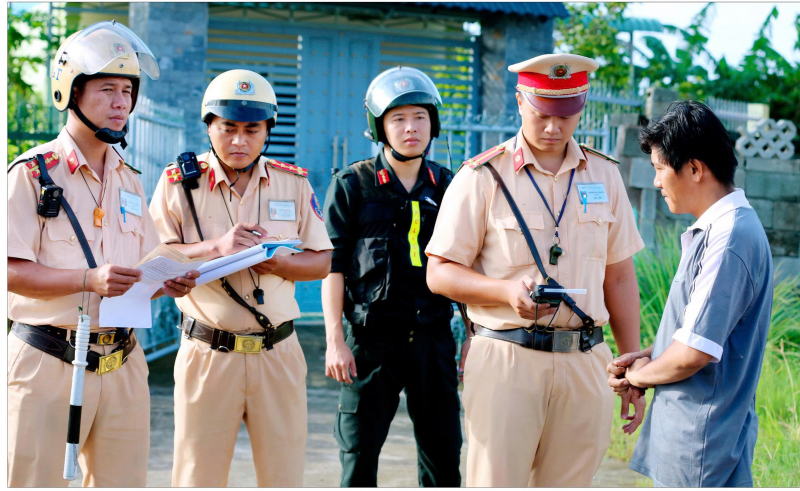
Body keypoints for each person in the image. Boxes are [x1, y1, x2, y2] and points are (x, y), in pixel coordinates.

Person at [425, 53, 646, 487]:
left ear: (581, 106)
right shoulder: (482, 176)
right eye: (542, 114)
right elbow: (440, 272)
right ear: (520, 101)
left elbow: (619, 276)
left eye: (565, 115)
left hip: (586, 362)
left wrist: (631, 367)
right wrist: (505, 292)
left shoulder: (603, 176)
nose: (553, 127)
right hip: (508, 358)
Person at [7, 21, 198, 487]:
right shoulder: (32, 174)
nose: (121, 103)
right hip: (48, 361)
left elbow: (142, 268)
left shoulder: (130, 180)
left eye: (128, 91)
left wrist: (168, 281)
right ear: (71, 92)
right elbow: (8, 270)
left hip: (123, 363)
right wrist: (87, 280)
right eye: (108, 89)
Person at [148, 69, 333, 487]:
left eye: (252, 130)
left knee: (284, 476)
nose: (239, 141)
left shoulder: (292, 183)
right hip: (207, 353)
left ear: (267, 131)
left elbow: (322, 262)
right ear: (208, 127)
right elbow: (153, 258)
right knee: (197, 476)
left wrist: (278, 264)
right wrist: (215, 247)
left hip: (278, 353)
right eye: (228, 128)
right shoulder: (180, 183)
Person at [607, 100, 774, 487]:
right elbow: (700, 333)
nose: (656, 182)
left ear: (695, 169)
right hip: (694, 440)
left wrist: (640, 376)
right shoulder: (717, 231)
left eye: (659, 168)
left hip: (701, 446)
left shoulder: (729, 238)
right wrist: (648, 356)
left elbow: (694, 353)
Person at [322, 66, 462, 487]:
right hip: (370, 344)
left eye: (420, 117)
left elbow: (466, 265)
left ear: (433, 123)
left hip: (433, 341)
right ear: (379, 126)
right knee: (358, 459)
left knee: (444, 460)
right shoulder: (352, 184)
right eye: (398, 119)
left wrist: (472, 335)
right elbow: (333, 267)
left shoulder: (450, 186)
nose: (410, 128)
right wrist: (334, 340)